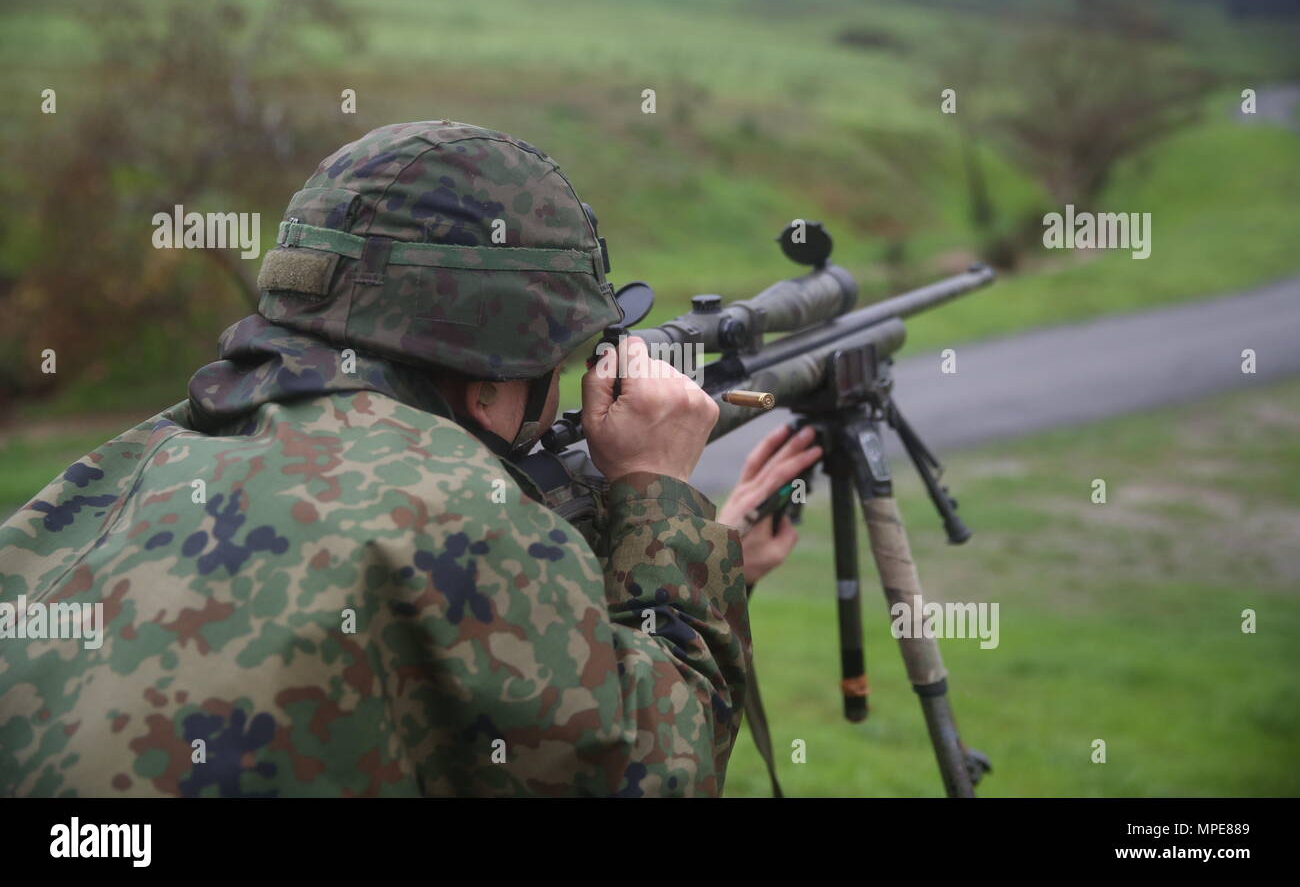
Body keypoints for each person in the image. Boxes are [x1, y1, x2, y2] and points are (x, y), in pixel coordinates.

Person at [0, 120, 821, 797]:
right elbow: (655, 769)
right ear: (493, 373)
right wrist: (658, 494)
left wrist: (710, 559)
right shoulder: (456, 512)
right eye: (566, 357)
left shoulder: (112, 476)